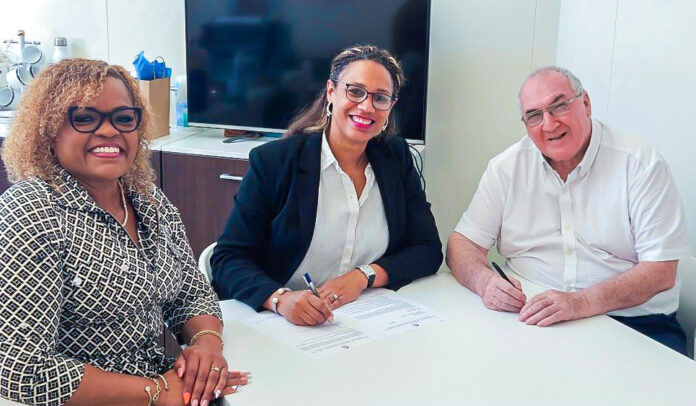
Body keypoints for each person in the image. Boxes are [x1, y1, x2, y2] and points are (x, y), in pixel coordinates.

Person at [0, 59, 248, 406]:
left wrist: (206, 346)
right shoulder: (30, 212)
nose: (109, 130)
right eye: (84, 117)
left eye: (123, 118)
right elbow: (20, 370)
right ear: (49, 129)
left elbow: (191, 294)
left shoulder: (147, 199)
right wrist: (156, 392)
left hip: (163, 382)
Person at [446, 66, 692, 355]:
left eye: (559, 106)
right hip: (532, 318)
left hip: (635, 324)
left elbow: (660, 271)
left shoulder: (640, 164)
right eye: (534, 115)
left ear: (585, 103)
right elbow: (462, 244)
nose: (549, 124)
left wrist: (579, 303)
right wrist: (485, 282)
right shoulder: (506, 168)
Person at [211, 45, 442, 326]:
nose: (366, 106)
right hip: (281, 321)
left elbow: (428, 249)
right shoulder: (275, 161)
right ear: (331, 91)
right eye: (355, 91)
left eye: (380, 98)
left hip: (366, 315)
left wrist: (363, 276)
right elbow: (228, 259)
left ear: (391, 106)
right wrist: (280, 299)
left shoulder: (396, 157)